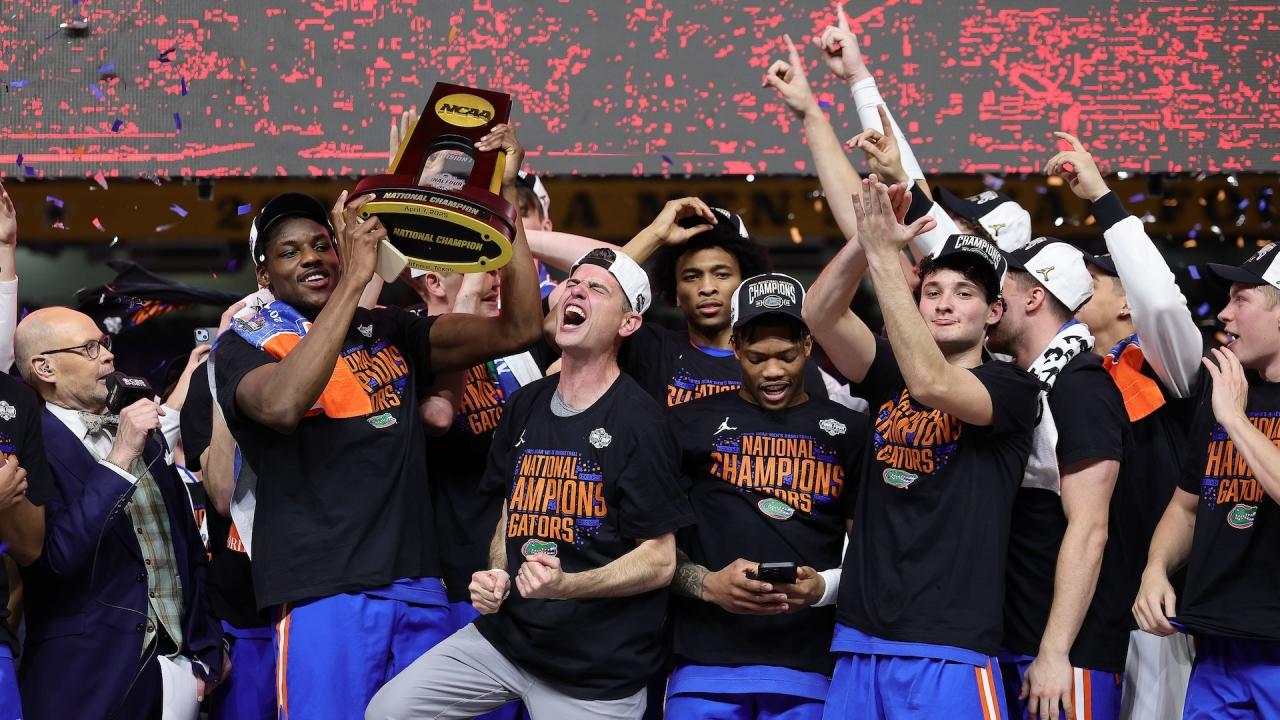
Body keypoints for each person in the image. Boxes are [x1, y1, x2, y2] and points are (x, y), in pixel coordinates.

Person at [211, 121, 543, 719]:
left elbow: (518, 328)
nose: (312, 258)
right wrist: (356, 281)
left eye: (322, 244)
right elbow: (282, 406)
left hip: (420, 586)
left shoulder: (391, 329)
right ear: (264, 277)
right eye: (290, 252)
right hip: (324, 590)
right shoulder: (245, 342)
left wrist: (502, 203)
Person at [367, 247, 694, 719]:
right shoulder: (525, 403)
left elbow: (660, 561)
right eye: (573, 283)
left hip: (593, 673)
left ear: (628, 323)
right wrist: (499, 571)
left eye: (597, 289)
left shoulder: (641, 422)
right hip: (507, 641)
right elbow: (511, 509)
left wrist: (568, 586)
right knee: (389, 710)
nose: (576, 291)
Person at [805, 178, 1040, 719]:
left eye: (965, 293)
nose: (944, 304)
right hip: (861, 635)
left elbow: (933, 383)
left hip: (949, 644)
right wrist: (866, 240)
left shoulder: (1012, 387)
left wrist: (886, 260)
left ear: (994, 312)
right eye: (932, 292)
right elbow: (820, 316)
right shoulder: (890, 372)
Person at [1048, 132, 1202, 720]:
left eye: (1093, 283)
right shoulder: (1060, 371)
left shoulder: (1168, 370)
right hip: (1075, 609)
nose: (1077, 290)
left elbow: (1160, 302)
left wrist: (1101, 198)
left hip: (1154, 617)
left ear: (1125, 305)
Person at [665, 272, 867, 719]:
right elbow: (651, 545)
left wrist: (824, 588)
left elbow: (871, 553)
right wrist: (708, 584)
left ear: (808, 345)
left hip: (810, 667)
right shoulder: (684, 424)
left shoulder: (850, 431)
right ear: (735, 346)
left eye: (787, 356)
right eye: (757, 357)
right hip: (703, 664)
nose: (773, 372)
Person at [15, 307, 225, 719]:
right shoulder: (31, 444)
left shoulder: (143, 432)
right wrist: (120, 457)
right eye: (89, 348)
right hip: (84, 679)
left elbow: (187, 547)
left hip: (177, 674)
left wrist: (208, 645)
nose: (108, 356)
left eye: (105, 343)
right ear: (45, 368)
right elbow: (57, 557)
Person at [985, 238, 1132, 720]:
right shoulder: (1022, 382)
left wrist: (1054, 651)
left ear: (1033, 298)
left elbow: (1090, 529)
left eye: (1000, 290)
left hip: (1066, 656)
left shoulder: (1081, 385)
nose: (989, 303)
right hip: (1014, 638)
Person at [1133, 244, 1280, 719]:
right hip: (1218, 641)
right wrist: (1156, 568)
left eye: (1242, 300)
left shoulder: (1228, 403)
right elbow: (1187, 506)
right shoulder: (1225, 390)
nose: (1223, 314)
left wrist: (1236, 420)